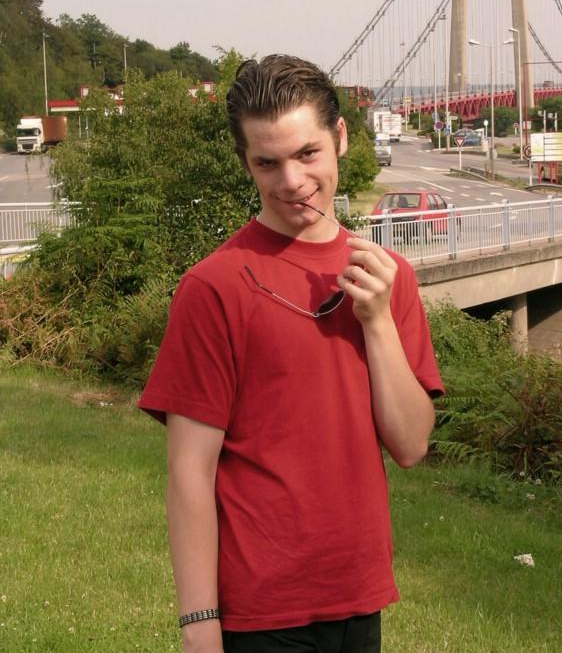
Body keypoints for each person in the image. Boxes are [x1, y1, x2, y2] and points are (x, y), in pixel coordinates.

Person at [138, 55, 444, 653]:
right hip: (260, 614)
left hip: (359, 598)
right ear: (245, 163)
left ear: (341, 138)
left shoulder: (387, 278)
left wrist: (378, 320)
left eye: (308, 153)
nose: (292, 181)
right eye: (267, 163)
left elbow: (411, 445)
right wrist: (199, 625)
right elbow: (190, 474)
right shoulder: (214, 286)